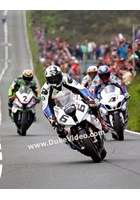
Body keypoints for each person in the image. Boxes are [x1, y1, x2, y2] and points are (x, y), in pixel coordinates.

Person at [41, 65, 108, 144]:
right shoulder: (45, 90)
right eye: (51, 79)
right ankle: (70, 141)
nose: (54, 80)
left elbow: (80, 88)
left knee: (93, 104)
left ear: (60, 75)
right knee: (59, 129)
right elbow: (45, 106)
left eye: (56, 77)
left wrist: (88, 98)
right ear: (47, 79)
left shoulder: (66, 79)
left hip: (73, 99)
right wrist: (50, 118)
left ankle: (102, 123)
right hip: (57, 107)